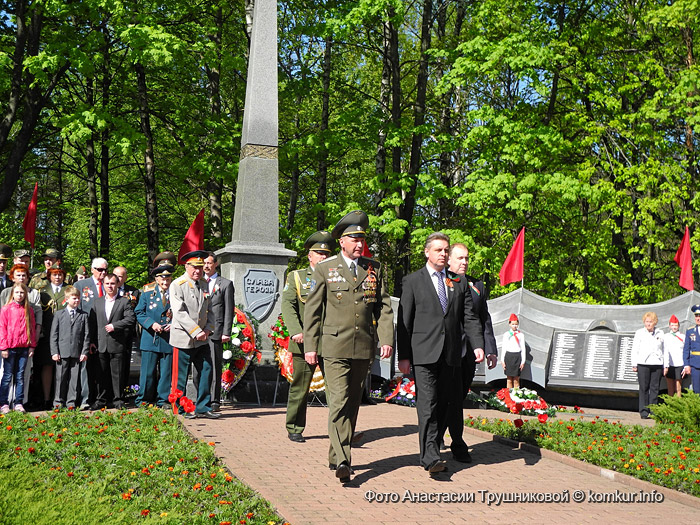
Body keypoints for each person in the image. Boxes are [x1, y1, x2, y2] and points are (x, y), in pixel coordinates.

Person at [304, 211, 394, 484]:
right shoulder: (325, 269)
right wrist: (311, 345)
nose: (359, 245)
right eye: (354, 240)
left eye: (362, 240)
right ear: (342, 241)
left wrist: (387, 339)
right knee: (339, 401)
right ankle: (344, 459)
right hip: (332, 347)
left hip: (363, 346)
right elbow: (313, 310)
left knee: (352, 404)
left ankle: (335, 454)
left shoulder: (374, 268)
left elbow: (384, 307)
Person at [397, 232, 485, 473]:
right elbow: (405, 321)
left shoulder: (458, 282)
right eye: (438, 250)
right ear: (427, 252)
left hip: (451, 354)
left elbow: (469, 317)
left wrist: (478, 344)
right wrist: (403, 356)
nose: (443, 254)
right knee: (428, 404)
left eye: (446, 250)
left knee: (447, 403)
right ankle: (430, 457)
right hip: (424, 354)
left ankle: (434, 448)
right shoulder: (413, 281)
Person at [438, 242, 498, 456]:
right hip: (444, 351)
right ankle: (455, 442)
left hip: (468, 353)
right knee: (446, 396)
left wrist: (489, 349)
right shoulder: (439, 282)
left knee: (458, 395)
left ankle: (441, 437)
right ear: (449, 260)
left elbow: (484, 319)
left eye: (467, 259)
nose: (464, 262)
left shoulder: (476, 286)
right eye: (460, 258)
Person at [282, 231, 333, 443]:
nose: (322, 257)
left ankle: (339, 431)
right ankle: (294, 426)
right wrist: (296, 331)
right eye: (318, 253)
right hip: (304, 341)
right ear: (309, 256)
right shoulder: (297, 277)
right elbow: (288, 305)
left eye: (326, 253)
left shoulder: (336, 276)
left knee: (336, 390)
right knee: (300, 387)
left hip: (331, 341)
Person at [169, 250, 219, 419]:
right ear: (186, 266)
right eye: (195, 267)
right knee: (180, 376)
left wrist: (207, 329)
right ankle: (179, 408)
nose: (198, 271)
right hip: (183, 338)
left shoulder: (204, 284)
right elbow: (179, 312)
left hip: (201, 339)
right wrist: (196, 331)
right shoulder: (178, 284)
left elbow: (210, 310)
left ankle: (203, 407)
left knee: (206, 369)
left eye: (200, 267)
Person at [88, 273, 136, 409]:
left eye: (113, 283)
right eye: (107, 283)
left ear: (117, 285)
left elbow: (130, 319)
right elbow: (92, 323)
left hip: (117, 343)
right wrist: (91, 341)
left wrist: (115, 326)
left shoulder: (124, 301)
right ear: (103, 285)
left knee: (118, 374)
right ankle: (101, 400)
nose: (110, 286)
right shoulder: (97, 302)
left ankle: (118, 400)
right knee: (101, 374)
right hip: (100, 344)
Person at [0, 264, 42, 407]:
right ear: (13, 294)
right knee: (7, 377)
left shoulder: (29, 310)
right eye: (17, 293)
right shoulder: (6, 309)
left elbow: (32, 328)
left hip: (24, 347)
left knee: (21, 376)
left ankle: (19, 403)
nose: (20, 295)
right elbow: (2, 328)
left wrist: (32, 346)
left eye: (22, 293)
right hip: (9, 347)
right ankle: (4, 403)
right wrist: (3, 347)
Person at [134, 264, 174, 408]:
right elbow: (139, 312)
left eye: (168, 279)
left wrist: (174, 324)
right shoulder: (146, 295)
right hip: (151, 338)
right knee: (147, 372)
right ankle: (143, 399)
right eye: (162, 279)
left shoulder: (176, 295)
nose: (165, 282)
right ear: (157, 279)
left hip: (168, 339)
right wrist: (151, 324)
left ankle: (163, 400)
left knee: (166, 372)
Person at [199, 252, 234, 412]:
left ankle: (214, 400)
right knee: (198, 367)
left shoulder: (225, 284)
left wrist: (226, 332)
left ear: (215, 264)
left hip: (216, 331)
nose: (206, 266)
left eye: (209, 263)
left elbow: (228, 310)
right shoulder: (197, 282)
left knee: (214, 366)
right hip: (198, 332)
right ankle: (200, 397)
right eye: (204, 263)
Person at [49, 285, 89, 409]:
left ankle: (71, 402)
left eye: (78, 298)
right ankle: (58, 401)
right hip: (62, 351)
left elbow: (87, 335)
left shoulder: (83, 315)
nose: (76, 301)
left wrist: (84, 351)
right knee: (60, 378)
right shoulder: (59, 314)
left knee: (74, 378)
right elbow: (53, 334)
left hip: (77, 352)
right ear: (66, 299)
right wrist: (54, 351)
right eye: (74, 298)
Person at [77, 257, 109, 409]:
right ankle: (85, 399)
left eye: (105, 270)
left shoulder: (110, 285)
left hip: (106, 334)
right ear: (92, 270)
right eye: (99, 269)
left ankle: (102, 398)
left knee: (103, 368)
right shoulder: (81, 285)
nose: (103, 273)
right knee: (86, 369)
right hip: (86, 334)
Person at [36, 263, 69, 409]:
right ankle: (46, 398)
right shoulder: (42, 292)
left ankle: (60, 397)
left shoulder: (68, 290)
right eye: (54, 274)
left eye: (60, 274)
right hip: (47, 334)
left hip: (64, 334)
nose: (57, 277)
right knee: (47, 365)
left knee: (62, 366)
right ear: (49, 276)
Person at [113, 265, 140, 396]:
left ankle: (123, 391)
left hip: (127, 332)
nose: (119, 278)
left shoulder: (133, 292)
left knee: (124, 363)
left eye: (121, 275)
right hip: (110, 332)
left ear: (126, 277)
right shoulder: (107, 289)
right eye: (116, 275)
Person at [632, 311, 664, 419]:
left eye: (650, 322)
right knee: (644, 388)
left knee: (655, 388)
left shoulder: (660, 333)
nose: (648, 324)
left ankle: (654, 410)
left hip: (657, 363)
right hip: (643, 363)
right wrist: (634, 363)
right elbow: (635, 349)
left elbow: (664, 349)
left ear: (655, 322)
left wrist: (665, 365)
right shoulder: (639, 333)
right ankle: (644, 411)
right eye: (646, 322)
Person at [501, 313, 526, 389]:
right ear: (509, 324)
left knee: (516, 379)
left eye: (516, 324)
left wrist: (523, 361)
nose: (514, 326)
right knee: (509, 379)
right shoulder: (506, 334)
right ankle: (508, 395)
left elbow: (523, 348)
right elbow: (504, 347)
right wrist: (502, 360)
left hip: (517, 356)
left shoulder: (521, 335)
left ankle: (516, 395)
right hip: (509, 356)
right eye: (513, 324)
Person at [663, 315, 686, 397]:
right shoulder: (666, 336)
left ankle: (678, 405)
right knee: (670, 387)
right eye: (672, 325)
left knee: (678, 387)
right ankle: (670, 404)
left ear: (679, 326)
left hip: (679, 363)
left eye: (676, 325)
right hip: (669, 364)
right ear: (669, 326)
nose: (674, 327)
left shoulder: (683, 337)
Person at [683, 305, 700, 395]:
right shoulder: (690, 331)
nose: (698, 318)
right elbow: (686, 349)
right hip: (695, 365)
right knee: (696, 390)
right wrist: (686, 365)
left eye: (699, 316)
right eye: (696, 316)